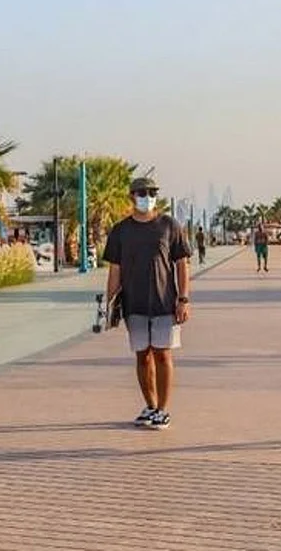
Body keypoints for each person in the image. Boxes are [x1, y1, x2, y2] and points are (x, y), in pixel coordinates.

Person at [103, 176, 191, 431]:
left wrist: (183, 299)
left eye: (152, 193)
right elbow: (115, 270)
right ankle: (150, 406)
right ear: (132, 196)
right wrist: (108, 305)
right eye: (142, 193)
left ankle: (163, 409)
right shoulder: (121, 231)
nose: (148, 197)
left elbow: (182, 264)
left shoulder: (169, 226)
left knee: (162, 354)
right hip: (134, 304)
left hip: (165, 303)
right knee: (142, 356)